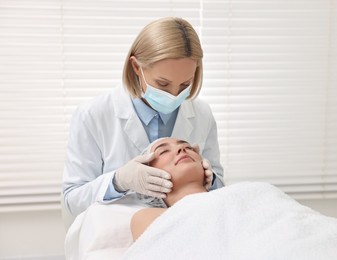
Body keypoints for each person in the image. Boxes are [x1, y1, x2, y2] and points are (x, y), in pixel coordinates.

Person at [63, 17, 224, 217]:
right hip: (121, 234)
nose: (174, 94)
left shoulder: (202, 114)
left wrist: (211, 179)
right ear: (137, 67)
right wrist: (119, 181)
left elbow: (220, 189)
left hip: (189, 223)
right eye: (163, 84)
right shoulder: (93, 115)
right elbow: (72, 199)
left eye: (184, 84)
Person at [130, 137, 208, 240]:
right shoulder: (146, 218)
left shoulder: (234, 194)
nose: (181, 148)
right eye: (163, 151)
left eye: (188, 147)